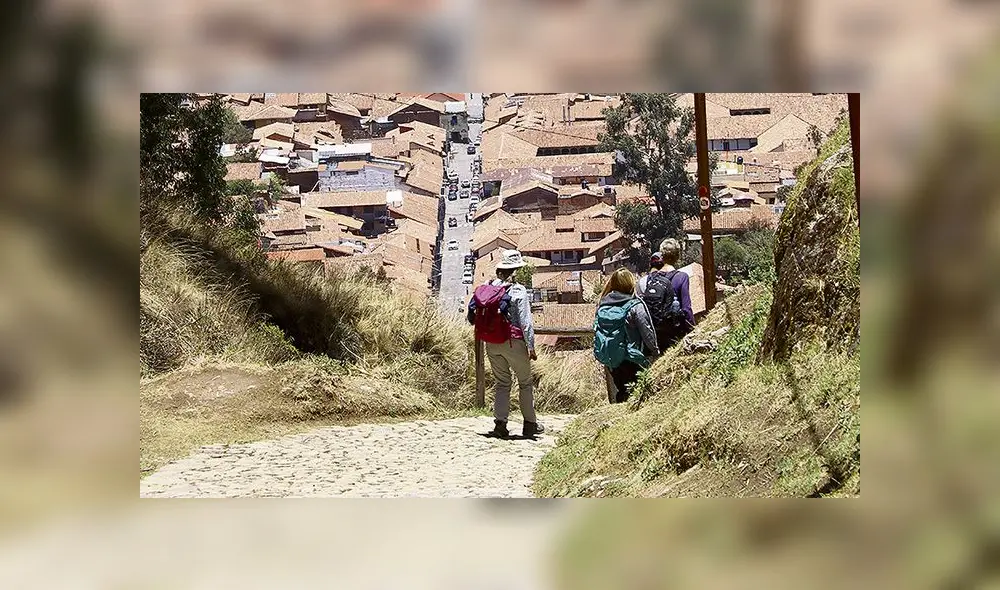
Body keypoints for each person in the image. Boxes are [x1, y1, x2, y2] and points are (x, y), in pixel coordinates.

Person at [467, 249, 544, 438]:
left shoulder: (487, 286)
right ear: (516, 270)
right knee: (525, 383)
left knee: (502, 382)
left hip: (491, 342)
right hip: (513, 341)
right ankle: (530, 424)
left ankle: (500, 424)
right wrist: (531, 346)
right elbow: (525, 322)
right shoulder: (517, 290)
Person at [593, 268, 659, 404]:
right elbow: (647, 332)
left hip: (611, 359)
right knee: (636, 391)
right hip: (633, 357)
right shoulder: (635, 305)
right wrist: (655, 352)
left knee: (622, 390)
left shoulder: (603, 305)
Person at [638, 239, 695, 350]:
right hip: (675, 332)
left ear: (662, 256)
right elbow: (686, 308)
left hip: (656, 333)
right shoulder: (682, 277)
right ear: (677, 256)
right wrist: (692, 329)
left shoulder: (650, 278)